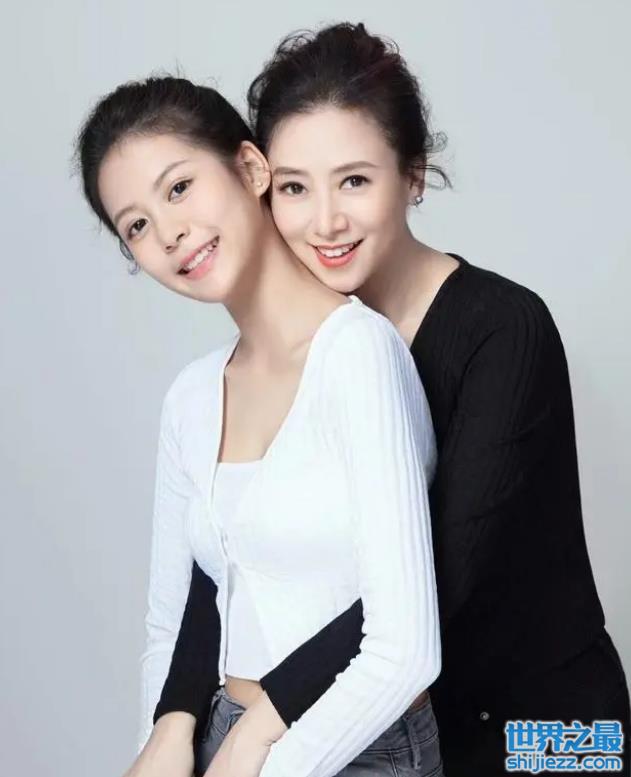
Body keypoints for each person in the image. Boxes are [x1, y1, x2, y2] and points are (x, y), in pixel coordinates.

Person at [144, 23, 631, 777]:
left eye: (354, 181)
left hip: (542, 731)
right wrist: (177, 719)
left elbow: (437, 572)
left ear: (413, 176)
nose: (325, 221)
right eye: (294, 188)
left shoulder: (504, 329)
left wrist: (266, 718)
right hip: (389, 728)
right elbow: (229, 552)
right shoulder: (305, 353)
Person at [74, 73, 443, 777]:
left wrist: (260, 761)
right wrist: (164, 735)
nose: (169, 233)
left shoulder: (356, 353)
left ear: (250, 168)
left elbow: (406, 648)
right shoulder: (190, 397)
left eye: (179, 188)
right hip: (221, 736)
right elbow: (169, 620)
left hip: (356, 748)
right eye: (136, 226)